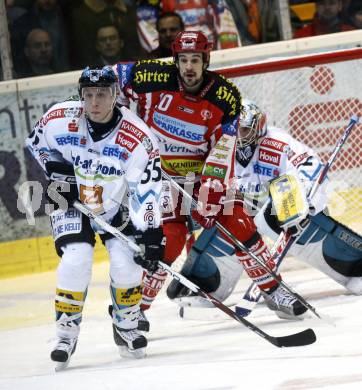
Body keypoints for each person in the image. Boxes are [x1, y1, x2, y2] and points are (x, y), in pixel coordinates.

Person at [112, 30, 307, 331]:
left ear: (206, 61)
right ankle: (131, 311)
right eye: (184, 60)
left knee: (238, 221)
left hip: (201, 174)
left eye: (195, 60)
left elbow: (223, 149)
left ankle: (273, 289)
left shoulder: (225, 95)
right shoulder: (149, 75)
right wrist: (117, 118)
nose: (189, 67)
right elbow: (106, 80)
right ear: (175, 60)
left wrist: (211, 193)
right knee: (169, 241)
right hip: (158, 179)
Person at [25, 66, 164, 368]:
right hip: (71, 202)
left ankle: (126, 325)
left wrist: (151, 232)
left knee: (127, 263)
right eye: (88, 95)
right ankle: (65, 332)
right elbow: (35, 142)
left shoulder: (138, 138)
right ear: (81, 96)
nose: (95, 102)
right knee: (76, 258)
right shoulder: (60, 118)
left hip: (114, 206)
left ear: (115, 95)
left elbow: (147, 190)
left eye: (102, 94)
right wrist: (53, 166)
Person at [169, 100, 362, 314]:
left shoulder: (277, 143)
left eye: (243, 130)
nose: (237, 136)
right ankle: (205, 288)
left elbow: (310, 166)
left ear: (257, 128)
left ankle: (356, 269)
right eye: (233, 130)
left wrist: (305, 198)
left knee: (288, 208)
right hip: (244, 211)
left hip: (283, 211)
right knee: (226, 219)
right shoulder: (220, 147)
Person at [137, 0, 241, 53]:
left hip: (212, 56)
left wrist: (225, 58)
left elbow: (227, 30)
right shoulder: (150, 3)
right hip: (172, 62)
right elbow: (152, 40)